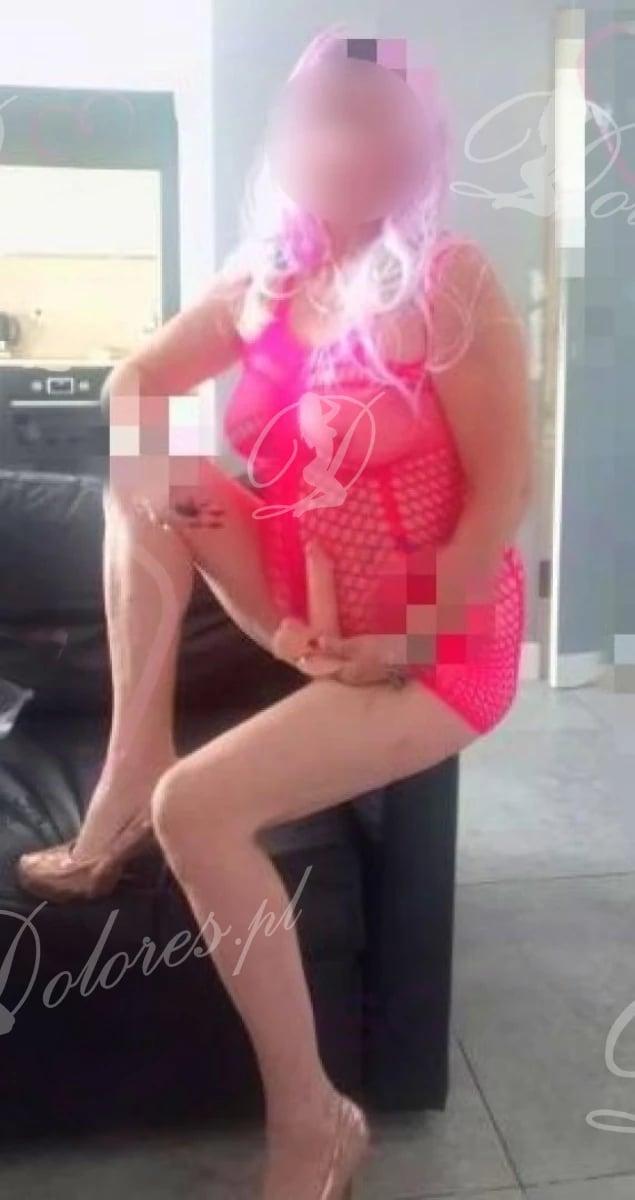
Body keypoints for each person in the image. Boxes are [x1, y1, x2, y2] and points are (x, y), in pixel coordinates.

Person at [16, 29, 533, 1199]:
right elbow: (134, 386)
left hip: (440, 636)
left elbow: (503, 488)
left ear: (420, 144)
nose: (344, 141)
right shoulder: (264, 279)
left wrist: (408, 632)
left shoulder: (446, 278)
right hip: (307, 602)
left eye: (374, 117)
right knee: (150, 464)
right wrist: (265, 622)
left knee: (197, 809)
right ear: (288, 137)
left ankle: (314, 1123)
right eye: (322, 115)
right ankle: (127, 764)